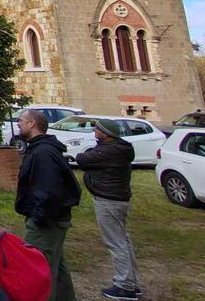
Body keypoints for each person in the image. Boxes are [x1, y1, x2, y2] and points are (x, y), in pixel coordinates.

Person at [15, 109, 81, 301]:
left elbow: (48, 190)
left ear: (31, 124)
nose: (18, 123)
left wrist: (39, 219)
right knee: (57, 267)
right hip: (53, 219)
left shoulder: (43, 152)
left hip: (46, 222)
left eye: (21, 120)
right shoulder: (41, 149)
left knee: (39, 271)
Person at [75, 119, 141, 300]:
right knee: (123, 241)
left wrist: (89, 153)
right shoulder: (119, 148)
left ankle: (124, 286)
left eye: (98, 129)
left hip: (108, 200)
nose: (95, 131)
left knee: (116, 243)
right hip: (117, 199)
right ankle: (132, 282)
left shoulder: (108, 150)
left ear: (106, 133)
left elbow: (83, 159)